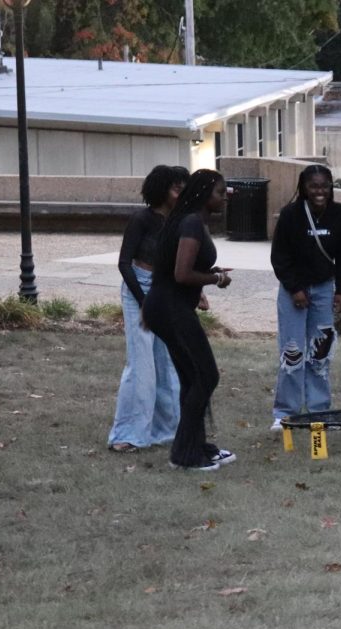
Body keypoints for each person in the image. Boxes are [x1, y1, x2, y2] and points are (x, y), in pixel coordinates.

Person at [141, 169, 235, 472]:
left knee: (192, 377)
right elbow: (182, 274)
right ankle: (184, 454)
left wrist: (210, 271)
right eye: (221, 192)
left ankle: (197, 446)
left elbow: (172, 268)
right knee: (206, 376)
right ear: (205, 193)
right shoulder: (192, 222)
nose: (225, 197)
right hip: (170, 307)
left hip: (167, 305)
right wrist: (216, 278)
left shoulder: (188, 220)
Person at [107, 165, 190, 452]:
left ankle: (166, 430)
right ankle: (128, 434)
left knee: (167, 364)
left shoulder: (183, 222)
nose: (180, 194)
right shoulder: (141, 219)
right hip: (138, 292)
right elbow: (123, 263)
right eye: (176, 188)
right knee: (141, 366)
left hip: (166, 291)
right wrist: (145, 302)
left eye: (184, 189)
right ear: (161, 190)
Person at [269, 164, 341, 430]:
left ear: (331, 188)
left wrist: (340, 290)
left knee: (321, 352)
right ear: (303, 188)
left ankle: (319, 410)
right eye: (313, 186)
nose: (319, 191)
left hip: (323, 290)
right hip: (293, 290)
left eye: (324, 186)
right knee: (292, 353)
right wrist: (295, 288)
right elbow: (279, 257)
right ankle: (285, 412)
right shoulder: (291, 215)